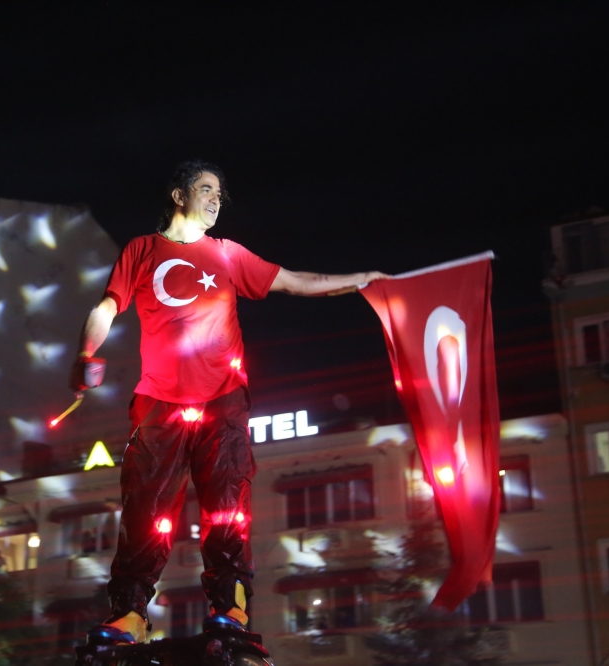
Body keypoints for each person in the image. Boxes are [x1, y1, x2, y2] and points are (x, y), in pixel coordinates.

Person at [70, 160, 388, 644]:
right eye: (206, 189)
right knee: (145, 510)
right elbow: (107, 305)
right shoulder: (142, 250)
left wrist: (362, 278)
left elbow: (296, 281)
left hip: (222, 400)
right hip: (159, 403)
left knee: (226, 506)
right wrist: (85, 354)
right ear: (179, 195)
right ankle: (130, 613)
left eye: (220, 193)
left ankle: (230, 607)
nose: (216, 200)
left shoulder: (228, 254)